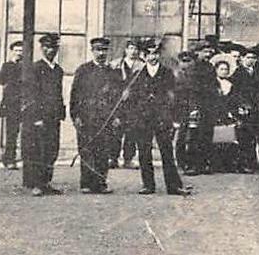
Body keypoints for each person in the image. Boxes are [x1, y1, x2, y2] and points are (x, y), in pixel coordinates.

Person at [129, 43, 189, 196]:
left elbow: (174, 97)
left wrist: (174, 118)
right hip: (143, 119)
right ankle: (148, 185)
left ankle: (173, 186)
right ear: (143, 56)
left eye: (155, 53)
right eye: (148, 54)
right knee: (144, 152)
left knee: (167, 152)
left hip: (162, 118)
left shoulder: (167, 73)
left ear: (159, 55)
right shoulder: (137, 74)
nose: (152, 57)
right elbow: (133, 98)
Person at [70, 37, 124, 194]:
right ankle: (86, 183)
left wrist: (117, 117)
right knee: (87, 150)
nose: (101, 53)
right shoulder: (83, 70)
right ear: (92, 51)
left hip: (106, 118)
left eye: (104, 50)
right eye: (98, 50)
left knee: (103, 151)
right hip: (86, 118)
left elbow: (119, 97)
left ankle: (100, 183)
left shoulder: (114, 73)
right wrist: (76, 116)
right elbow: (75, 95)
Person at [22, 33, 66, 196]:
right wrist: (36, 118)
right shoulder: (36, 68)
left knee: (51, 150)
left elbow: (58, 93)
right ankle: (37, 184)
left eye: (53, 47)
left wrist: (61, 113)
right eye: (47, 47)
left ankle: (46, 182)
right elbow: (31, 95)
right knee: (38, 150)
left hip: (53, 117)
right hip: (39, 118)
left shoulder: (58, 70)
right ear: (41, 49)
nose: (50, 50)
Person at [114, 38, 144, 168]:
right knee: (116, 130)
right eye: (130, 48)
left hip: (134, 104)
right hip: (118, 103)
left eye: (135, 49)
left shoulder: (142, 66)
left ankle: (128, 159)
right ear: (126, 50)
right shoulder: (116, 64)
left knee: (132, 132)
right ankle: (112, 157)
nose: (133, 51)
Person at [0, 39, 24, 169]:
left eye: (21, 50)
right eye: (17, 50)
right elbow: (0, 81)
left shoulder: (26, 66)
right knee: (11, 132)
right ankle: (9, 159)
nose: (19, 53)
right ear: (12, 51)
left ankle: (25, 159)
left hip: (24, 102)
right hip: (12, 102)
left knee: (25, 132)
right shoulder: (7, 66)